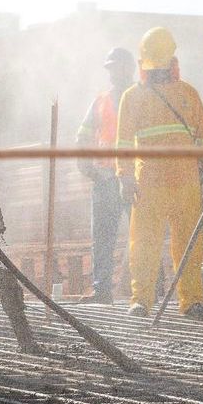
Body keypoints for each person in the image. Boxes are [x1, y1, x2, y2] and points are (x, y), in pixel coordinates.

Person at [116, 27, 203, 320]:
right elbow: (123, 142)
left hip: (185, 182)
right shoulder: (132, 97)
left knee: (189, 243)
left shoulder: (188, 93)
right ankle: (141, 301)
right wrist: (124, 175)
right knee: (145, 244)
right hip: (149, 183)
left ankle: (192, 300)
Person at [76, 47, 135, 304]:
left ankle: (150, 290)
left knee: (143, 235)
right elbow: (84, 135)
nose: (113, 73)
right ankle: (102, 291)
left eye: (118, 67)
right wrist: (85, 164)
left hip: (134, 178)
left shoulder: (141, 96)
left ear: (129, 68)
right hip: (105, 178)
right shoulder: (101, 101)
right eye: (110, 68)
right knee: (102, 236)